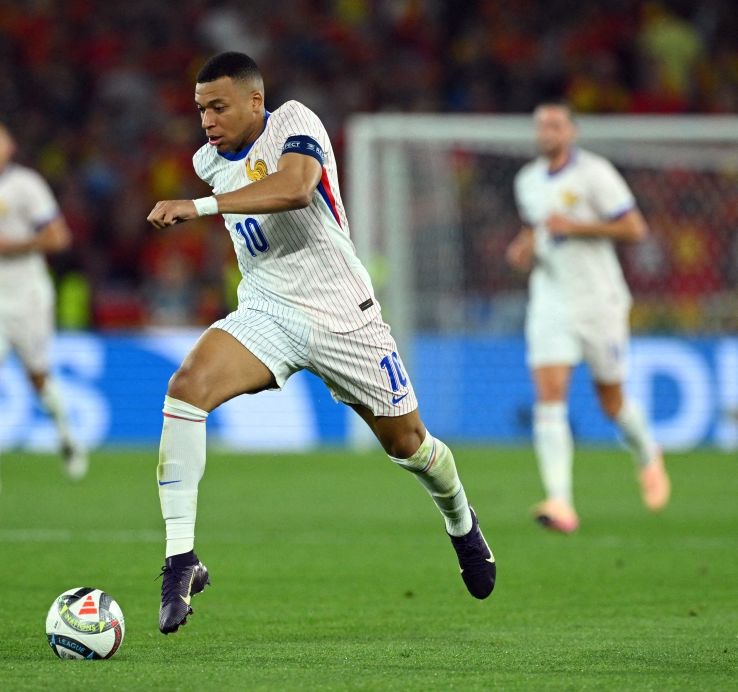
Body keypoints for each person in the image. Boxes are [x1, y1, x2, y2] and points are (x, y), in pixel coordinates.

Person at [146, 52, 496, 635]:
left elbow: (296, 189)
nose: (207, 119)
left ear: (255, 102)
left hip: (343, 316)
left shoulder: (295, 123)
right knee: (186, 389)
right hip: (267, 311)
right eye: (201, 108)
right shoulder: (209, 160)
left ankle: (461, 520)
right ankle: (180, 558)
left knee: (410, 446)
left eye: (219, 106)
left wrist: (199, 207)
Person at [506, 103, 671, 533]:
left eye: (556, 124)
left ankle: (648, 452)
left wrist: (577, 228)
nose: (547, 131)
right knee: (549, 394)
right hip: (551, 300)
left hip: (600, 301)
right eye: (541, 124)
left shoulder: (596, 174)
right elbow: (536, 228)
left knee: (611, 402)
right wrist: (523, 248)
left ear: (572, 131)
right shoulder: (526, 181)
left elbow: (635, 228)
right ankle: (560, 502)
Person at [0, 121, 86, 497]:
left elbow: (58, 237)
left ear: (9, 147)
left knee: (37, 376)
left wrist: (11, 246)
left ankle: (67, 435)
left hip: (27, 294)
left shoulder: (26, 185)